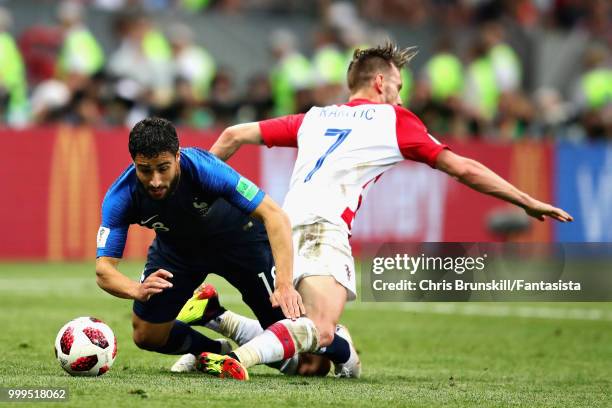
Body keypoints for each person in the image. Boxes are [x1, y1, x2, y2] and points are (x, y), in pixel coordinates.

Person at [197, 42, 574, 380]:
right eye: (397, 87)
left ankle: (216, 317)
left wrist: (196, 195)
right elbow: (462, 168)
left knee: (311, 354)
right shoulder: (393, 119)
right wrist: (526, 200)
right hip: (325, 228)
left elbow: (232, 135)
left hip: (283, 228)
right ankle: (237, 360)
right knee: (323, 329)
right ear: (380, 82)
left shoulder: (316, 117)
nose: (399, 97)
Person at [95, 117, 305, 380]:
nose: (156, 180)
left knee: (307, 361)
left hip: (241, 242)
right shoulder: (121, 197)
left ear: (178, 157)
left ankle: (216, 316)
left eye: (163, 168)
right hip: (178, 251)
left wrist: (284, 284)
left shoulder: (206, 169)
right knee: (147, 334)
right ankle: (212, 350)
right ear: (134, 163)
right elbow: (104, 270)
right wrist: (136, 289)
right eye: (145, 170)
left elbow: (275, 216)